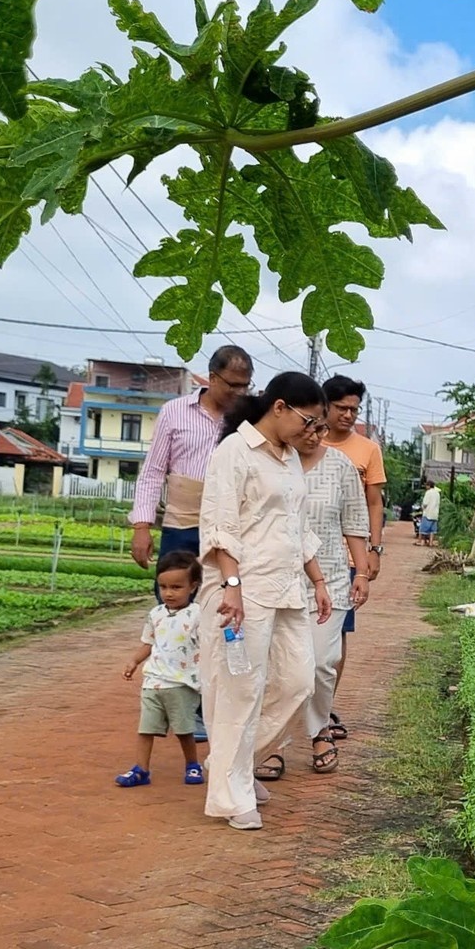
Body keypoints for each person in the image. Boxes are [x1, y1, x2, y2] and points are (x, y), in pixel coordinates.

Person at [197, 372, 335, 831]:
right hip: (246, 590)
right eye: (309, 421)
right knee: (241, 691)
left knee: (298, 681)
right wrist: (231, 587)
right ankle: (233, 795)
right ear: (279, 407)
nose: (313, 432)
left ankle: (233, 764)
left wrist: (317, 579)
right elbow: (220, 526)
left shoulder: (290, 458)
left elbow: (298, 526)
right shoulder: (233, 453)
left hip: (288, 587)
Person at [129, 344, 255, 578]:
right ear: (213, 378)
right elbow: (153, 472)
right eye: (233, 385)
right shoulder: (174, 411)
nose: (239, 392)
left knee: (223, 600)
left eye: (245, 385)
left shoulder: (251, 420)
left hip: (231, 528)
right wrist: (142, 526)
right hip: (181, 526)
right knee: (175, 598)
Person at [293, 429, 372, 773]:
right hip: (278, 579)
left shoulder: (341, 465)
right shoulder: (272, 460)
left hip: (333, 579)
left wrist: (363, 573)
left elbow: (355, 521)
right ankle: (272, 744)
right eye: (305, 424)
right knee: (276, 667)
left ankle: (319, 728)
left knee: (323, 661)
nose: (312, 434)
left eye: (318, 427)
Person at [316, 374, 387, 732]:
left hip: (345, 556)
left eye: (353, 410)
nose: (347, 415)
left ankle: (325, 709)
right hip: (305, 550)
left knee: (335, 636)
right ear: (324, 406)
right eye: (341, 408)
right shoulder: (305, 442)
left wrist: (373, 551)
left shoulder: (367, 450)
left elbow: (374, 502)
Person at [116, 551, 205, 788]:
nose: (169, 593)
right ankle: (141, 769)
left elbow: (207, 644)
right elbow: (149, 642)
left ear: (193, 586)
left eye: (177, 587)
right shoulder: (156, 614)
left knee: (185, 729)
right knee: (146, 729)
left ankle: (192, 765)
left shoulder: (197, 614)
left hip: (182, 683)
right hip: (153, 681)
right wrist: (135, 661)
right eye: (163, 587)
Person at [418, 479, 441, 547]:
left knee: (424, 529)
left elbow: (425, 503)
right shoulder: (437, 493)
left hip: (428, 513)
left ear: (428, 486)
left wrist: (422, 508)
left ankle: (422, 542)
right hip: (435, 514)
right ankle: (431, 542)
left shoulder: (428, 493)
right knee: (432, 530)